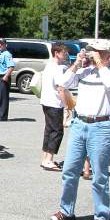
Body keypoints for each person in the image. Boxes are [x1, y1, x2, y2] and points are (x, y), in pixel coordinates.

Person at [50, 39, 110, 220]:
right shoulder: (85, 72)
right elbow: (62, 83)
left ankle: (102, 215)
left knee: (99, 175)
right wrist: (77, 63)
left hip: (101, 126)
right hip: (79, 124)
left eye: (98, 52)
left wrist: (99, 63)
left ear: (108, 55)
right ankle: (66, 210)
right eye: (93, 51)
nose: (94, 54)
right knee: (70, 171)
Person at [40, 42, 69, 171]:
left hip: (46, 101)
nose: (66, 54)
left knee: (49, 130)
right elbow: (60, 89)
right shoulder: (56, 68)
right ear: (56, 53)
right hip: (54, 103)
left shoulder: (49, 66)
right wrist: (67, 106)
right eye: (64, 52)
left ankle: (45, 158)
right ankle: (49, 160)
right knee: (57, 131)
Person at [0, 38, 14, 121]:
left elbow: (11, 67)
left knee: (3, 97)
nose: (0, 45)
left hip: (4, 77)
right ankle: (1, 114)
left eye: (2, 44)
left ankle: (3, 116)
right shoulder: (0, 54)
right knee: (0, 96)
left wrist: (6, 76)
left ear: (5, 45)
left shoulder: (7, 54)